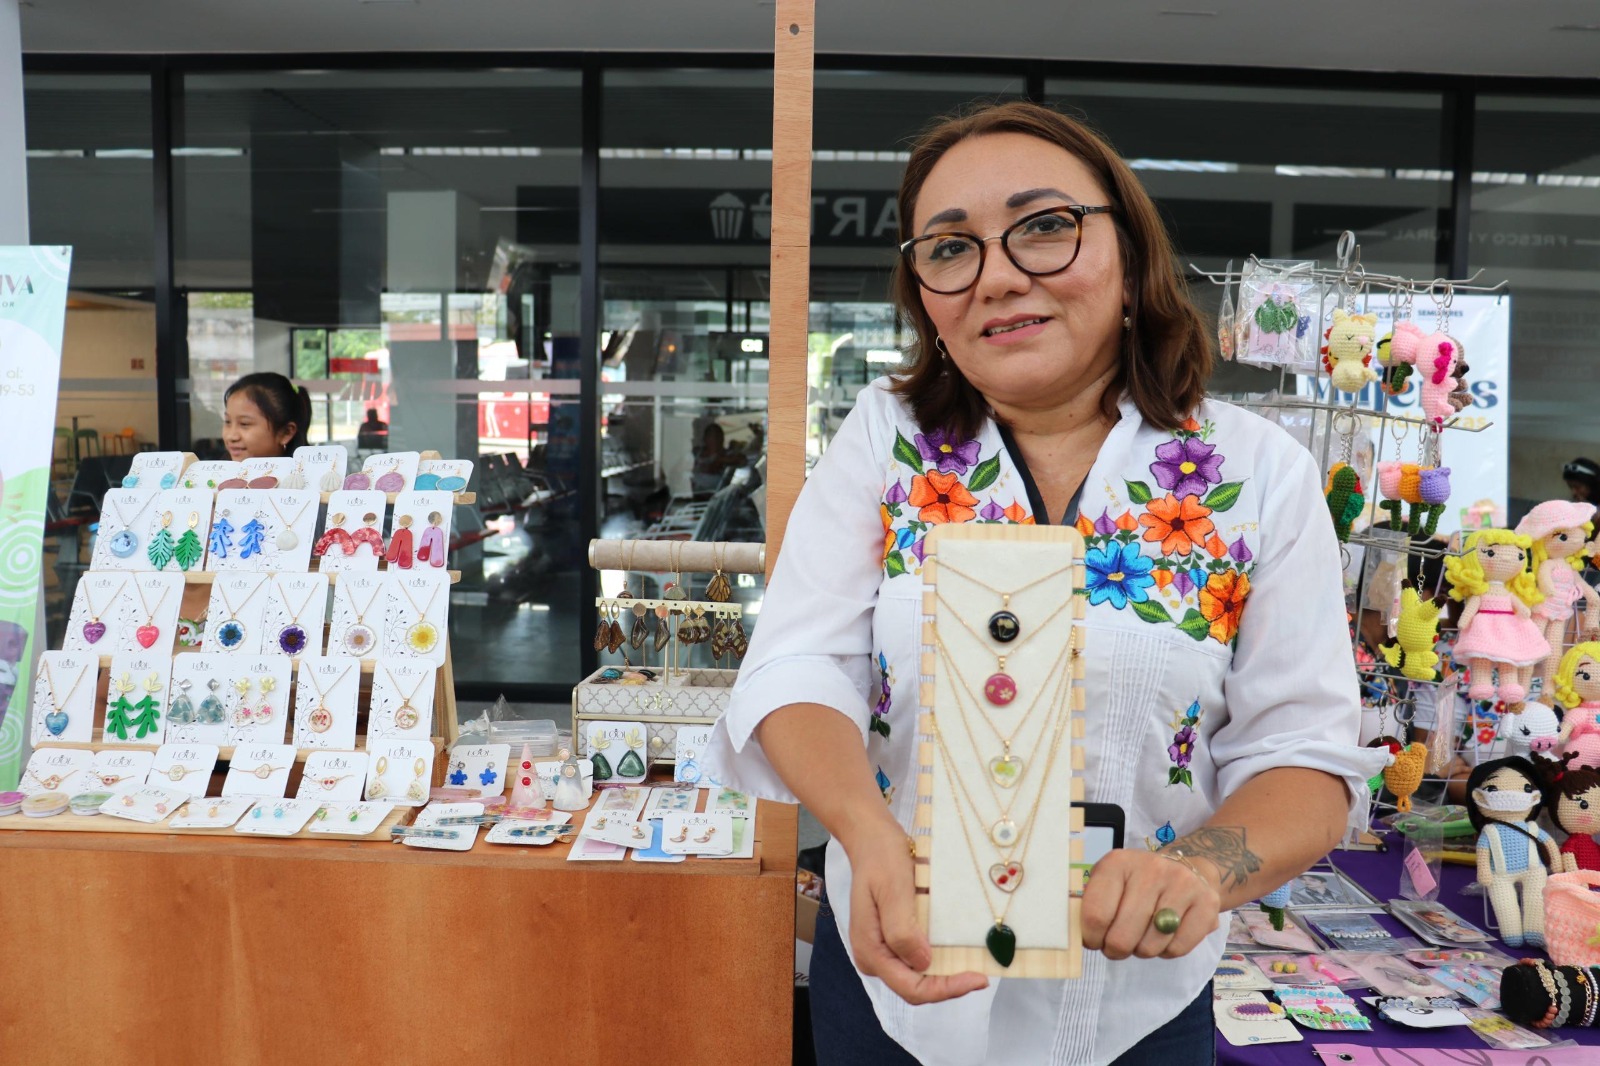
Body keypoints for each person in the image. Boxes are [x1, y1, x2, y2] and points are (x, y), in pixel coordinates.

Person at [703, 101, 1383, 1066]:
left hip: (1135, 1007)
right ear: (923, 292)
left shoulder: (1251, 474)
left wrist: (1198, 869)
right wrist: (863, 831)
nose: (999, 276)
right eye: (950, 249)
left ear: (1131, 253)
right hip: (899, 984)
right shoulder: (889, 441)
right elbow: (798, 665)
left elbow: (1304, 757)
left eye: (1045, 227)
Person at [222, 372, 312, 460]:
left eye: (244, 424)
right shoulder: (218, 473)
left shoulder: (303, 474)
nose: (231, 436)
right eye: (228, 422)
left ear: (286, 433)